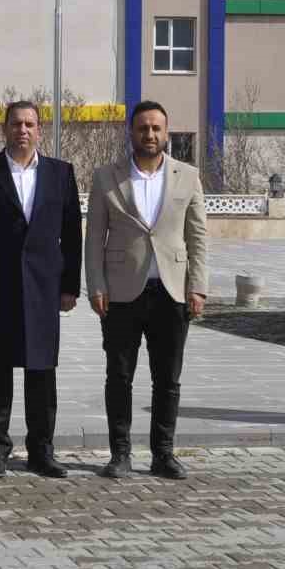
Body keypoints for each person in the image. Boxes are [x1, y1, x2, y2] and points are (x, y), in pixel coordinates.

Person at [0, 103, 81, 479]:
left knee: (41, 372)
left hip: (44, 288)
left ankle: (42, 451)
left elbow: (72, 234)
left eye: (29, 124)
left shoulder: (60, 173)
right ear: (4, 128)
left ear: (39, 129)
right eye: (15, 124)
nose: (22, 130)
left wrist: (69, 286)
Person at [85, 100, 208, 480]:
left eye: (156, 128)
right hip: (121, 293)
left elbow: (197, 235)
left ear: (166, 133)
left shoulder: (187, 175)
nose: (150, 135)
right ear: (131, 133)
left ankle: (163, 454)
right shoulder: (107, 176)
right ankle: (119, 454)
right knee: (119, 376)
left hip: (171, 293)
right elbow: (93, 239)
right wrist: (96, 285)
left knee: (167, 379)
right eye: (143, 128)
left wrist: (198, 287)